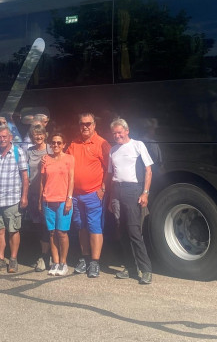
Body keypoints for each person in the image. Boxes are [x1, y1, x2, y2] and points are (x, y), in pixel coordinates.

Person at [109, 118, 154, 285]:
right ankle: (130, 267)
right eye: (114, 133)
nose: (117, 135)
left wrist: (145, 193)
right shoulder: (113, 150)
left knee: (134, 231)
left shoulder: (138, 145)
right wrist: (110, 198)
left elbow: (148, 171)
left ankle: (146, 270)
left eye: (120, 132)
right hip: (117, 191)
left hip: (133, 190)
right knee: (121, 231)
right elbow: (110, 174)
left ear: (127, 131)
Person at [68, 112, 110, 278]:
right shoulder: (74, 143)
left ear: (94, 125)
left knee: (95, 228)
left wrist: (103, 189)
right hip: (77, 195)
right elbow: (66, 162)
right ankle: (85, 258)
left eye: (88, 124)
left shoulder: (102, 143)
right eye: (82, 124)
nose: (85, 127)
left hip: (94, 194)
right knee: (81, 227)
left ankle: (94, 262)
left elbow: (110, 169)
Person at [0, 126, 29, 274]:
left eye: (5, 137)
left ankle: (13, 260)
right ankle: (0, 260)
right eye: (0, 137)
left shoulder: (18, 153)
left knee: (13, 231)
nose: (2, 139)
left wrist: (24, 197)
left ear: (10, 138)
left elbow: (25, 177)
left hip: (12, 199)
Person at [40, 132, 76, 276]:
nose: (55, 145)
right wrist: (40, 200)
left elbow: (72, 179)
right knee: (52, 232)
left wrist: (69, 198)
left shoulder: (69, 159)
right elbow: (42, 181)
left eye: (59, 143)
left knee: (62, 232)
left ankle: (63, 263)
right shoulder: (45, 160)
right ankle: (55, 262)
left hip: (63, 201)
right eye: (53, 143)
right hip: (48, 200)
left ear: (64, 145)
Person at [25, 123, 52, 271]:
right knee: (39, 225)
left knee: (49, 225)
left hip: (49, 194)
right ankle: (44, 254)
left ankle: (49, 256)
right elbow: (25, 172)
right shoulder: (29, 152)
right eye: (35, 135)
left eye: (41, 134)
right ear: (31, 137)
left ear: (45, 135)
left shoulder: (50, 149)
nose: (38, 137)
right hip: (33, 194)